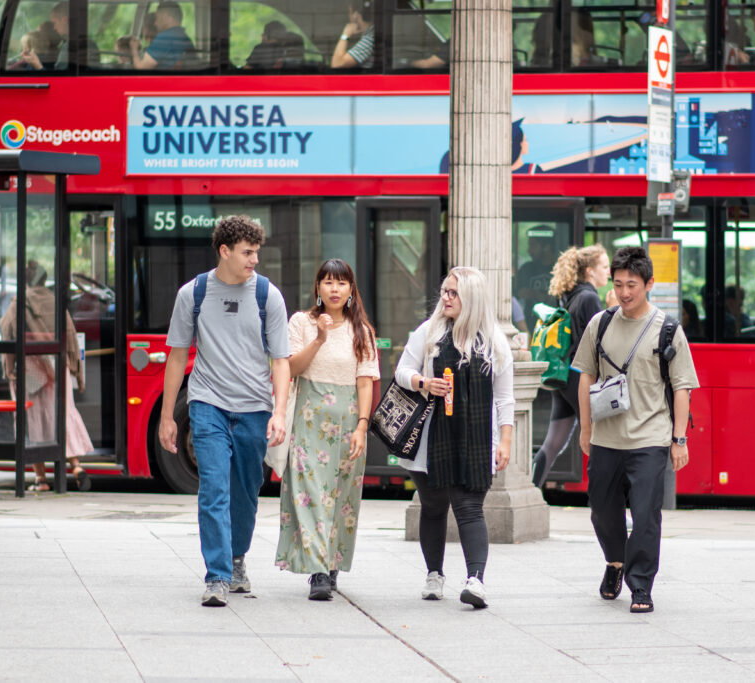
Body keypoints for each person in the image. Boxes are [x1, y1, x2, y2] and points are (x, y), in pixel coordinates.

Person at [160, 216, 290, 607]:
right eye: (248, 253)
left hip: (254, 408)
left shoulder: (269, 295)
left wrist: (279, 411)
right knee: (213, 489)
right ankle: (217, 575)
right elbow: (177, 354)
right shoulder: (194, 293)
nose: (254, 260)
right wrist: (168, 415)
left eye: (257, 252)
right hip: (208, 403)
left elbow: (281, 360)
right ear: (225, 251)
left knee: (245, 493)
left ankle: (236, 559)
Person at [573, 246, 698, 613]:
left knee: (645, 515)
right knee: (601, 511)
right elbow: (586, 377)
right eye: (618, 284)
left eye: (632, 285)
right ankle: (615, 561)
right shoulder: (601, 323)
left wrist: (678, 440)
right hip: (606, 438)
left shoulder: (669, 330)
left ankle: (641, 585)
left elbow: (682, 388)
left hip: (649, 439)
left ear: (649, 284)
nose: (624, 292)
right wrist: (585, 428)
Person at [394, 267, 515, 609]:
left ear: (472, 299)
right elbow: (402, 372)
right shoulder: (429, 332)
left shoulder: (493, 341)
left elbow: (505, 398)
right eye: (445, 291)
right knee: (432, 506)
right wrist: (423, 382)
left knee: (470, 507)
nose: (445, 298)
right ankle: (434, 574)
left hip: (476, 439)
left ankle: (475, 580)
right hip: (431, 440)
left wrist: (505, 441)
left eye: (453, 293)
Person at [275, 259, 379, 600]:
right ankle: (318, 571)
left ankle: (332, 562)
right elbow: (291, 368)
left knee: (342, 497)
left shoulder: (361, 330)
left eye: (342, 283)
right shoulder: (301, 323)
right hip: (308, 421)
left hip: (349, 421)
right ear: (317, 287)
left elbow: (365, 383)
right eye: (328, 282)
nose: (335, 289)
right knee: (312, 494)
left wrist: (362, 427)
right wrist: (319, 338)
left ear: (351, 290)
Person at [0, 261, 93, 492]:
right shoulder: (55, 302)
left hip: (30, 372)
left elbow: (7, 336)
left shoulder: (18, 304)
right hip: (56, 368)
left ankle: (41, 479)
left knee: (32, 423)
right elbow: (70, 337)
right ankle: (76, 466)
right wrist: (77, 372)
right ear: (43, 278)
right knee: (62, 415)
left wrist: (9, 369)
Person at [531, 245, 609, 488]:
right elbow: (603, 342)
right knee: (603, 442)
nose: (609, 272)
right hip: (580, 379)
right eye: (605, 267)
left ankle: (532, 491)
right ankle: (607, 506)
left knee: (554, 442)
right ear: (590, 271)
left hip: (565, 378)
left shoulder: (572, 295)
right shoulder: (589, 298)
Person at [130, 1, 194, 69]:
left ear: (166, 16)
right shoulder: (184, 37)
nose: (155, 23)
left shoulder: (165, 38)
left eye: (157, 18)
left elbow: (141, 67)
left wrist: (134, 49)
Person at [516, 231, 556, 329]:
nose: (529, 250)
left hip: (555, 327)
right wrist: (534, 294)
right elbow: (517, 295)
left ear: (546, 247)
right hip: (530, 326)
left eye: (533, 245)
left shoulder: (560, 269)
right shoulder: (526, 268)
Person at [20, 2, 69, 70]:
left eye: (54, 23)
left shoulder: (68, 48)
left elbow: (58, 80)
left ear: (64, 20)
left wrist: (37, 65)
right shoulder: (65, 47)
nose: (54, 27)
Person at [332, 1, 374, 69]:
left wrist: (345, 35)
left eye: (349, 12)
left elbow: (337, 64)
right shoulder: (369, 34)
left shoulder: (370, 39)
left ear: (355, 15)